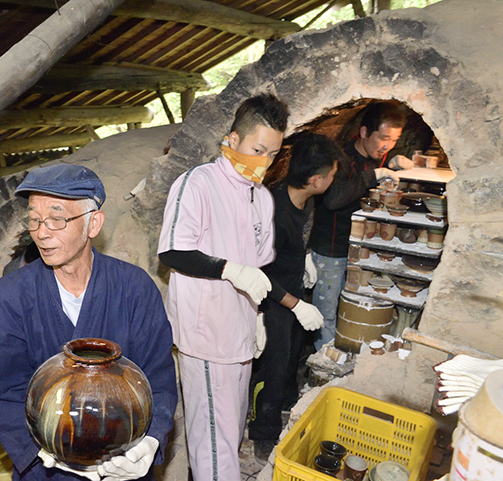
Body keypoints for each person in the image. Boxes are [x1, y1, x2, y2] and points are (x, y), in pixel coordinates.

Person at [0, 164, 177, 481]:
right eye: (34, 219)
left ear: (93, 223)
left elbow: (158, 378)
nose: (41, 232)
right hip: (46, 466)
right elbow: (3, 390)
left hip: (121, 463)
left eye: (56, 219)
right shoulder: (11, 296)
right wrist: (43, 452)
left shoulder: (134, 287)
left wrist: (150, 442)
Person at [158, 93, 288, 481]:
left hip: (240, 332)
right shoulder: (197, 184)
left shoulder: (261, 197)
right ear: (232, 140)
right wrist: (230, 270)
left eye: (272, 154)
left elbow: (258, 268)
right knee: (213, 444)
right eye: (257, 150)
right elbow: (173, 251)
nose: (264, 161)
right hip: (207, 335)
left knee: (230, 432)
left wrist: (257, 317)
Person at [247, 133, 341, 462]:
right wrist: (295, 304)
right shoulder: (273, 212)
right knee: (272, 369)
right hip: (271, 298)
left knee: (290, 359)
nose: (333, 179)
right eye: (332, 174)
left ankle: (287, 405)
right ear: (317, 180)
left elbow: (298, 240)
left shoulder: (307, 200)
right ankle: (263, 432)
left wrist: (305, 257)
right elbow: (259, 272)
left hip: (294, 287)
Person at [309, 101, 412, 351]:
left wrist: (394, 164)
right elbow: (333, 199)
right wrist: (373, 176)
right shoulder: (340, 158)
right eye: (383, 138)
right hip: (331, 249)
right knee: (326, 313)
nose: (387, 146)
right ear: (364, 132)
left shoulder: (379, 156)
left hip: (361, 250)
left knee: (354, 307)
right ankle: (326, 362)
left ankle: (350, 353)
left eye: (394, 140)